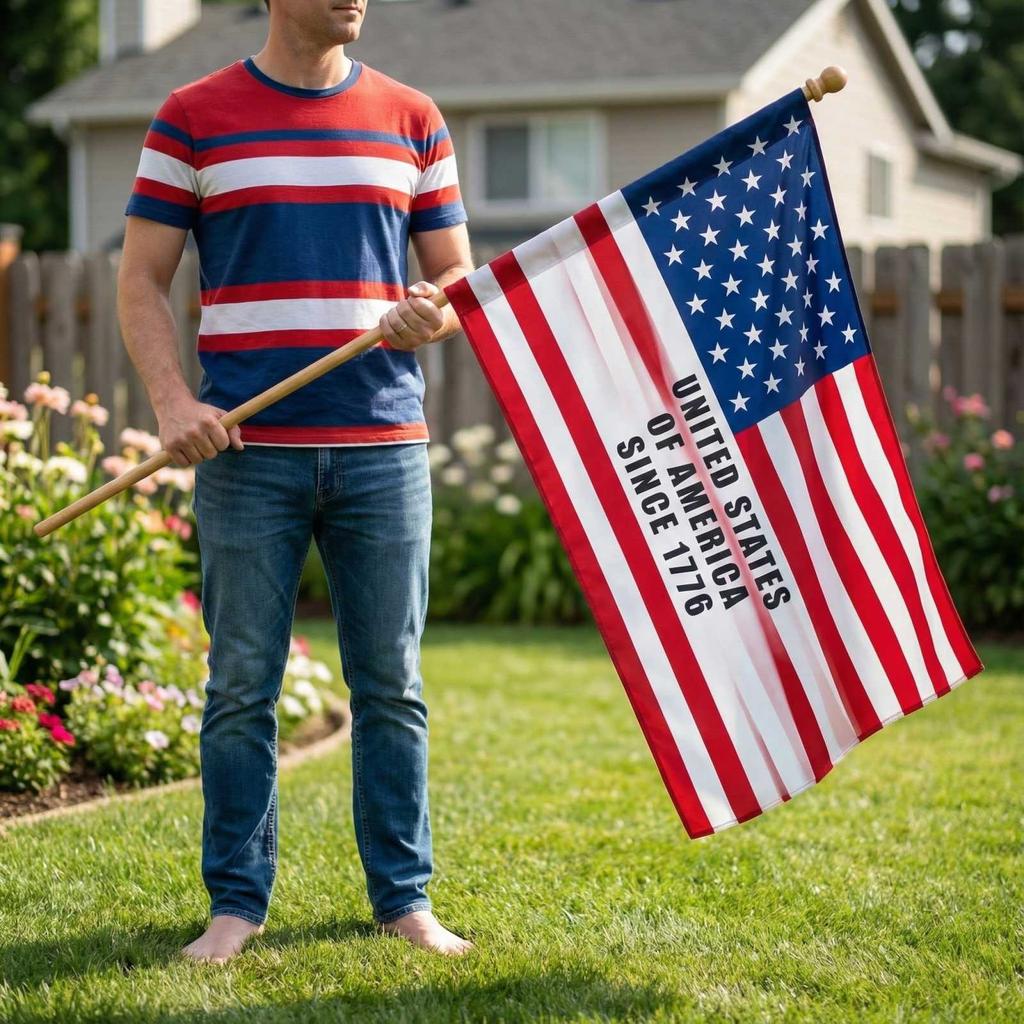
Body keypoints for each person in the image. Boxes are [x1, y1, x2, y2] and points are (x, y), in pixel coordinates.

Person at [118, 0, 475, 962]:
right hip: (244, 454)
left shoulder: (414, 116)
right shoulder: (192, 113)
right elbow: (141, 278)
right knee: (241, 688)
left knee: (390, 685)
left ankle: (404, 899)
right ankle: (236, 905)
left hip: (383, 449)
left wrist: (427, 314)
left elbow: (455, 282)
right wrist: (172, 404)